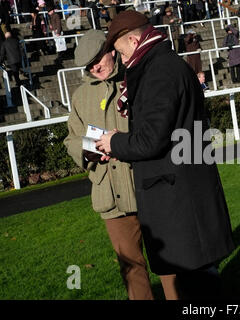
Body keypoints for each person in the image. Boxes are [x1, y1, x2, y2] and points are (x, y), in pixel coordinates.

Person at [94, 10, 235, 299]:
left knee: (200, 285)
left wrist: (115, 143)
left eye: (120, 53)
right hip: (182, 192)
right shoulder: (160, 65)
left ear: (134, 41)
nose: (121, 61)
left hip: (180, 198)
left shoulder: (159, 71)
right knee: (198, 280)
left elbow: (150, 140)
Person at [63, 30, 178, 300]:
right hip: (109, 194)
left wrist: (120, 143)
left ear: (112, 50)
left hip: (147, 184)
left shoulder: (138, 78)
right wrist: (89, 151)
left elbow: (156, 130)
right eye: (89, 64)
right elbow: (71, 139)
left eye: (98, 58)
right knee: (131, 267)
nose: (95, 66)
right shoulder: (80, 97)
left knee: (168, 262)